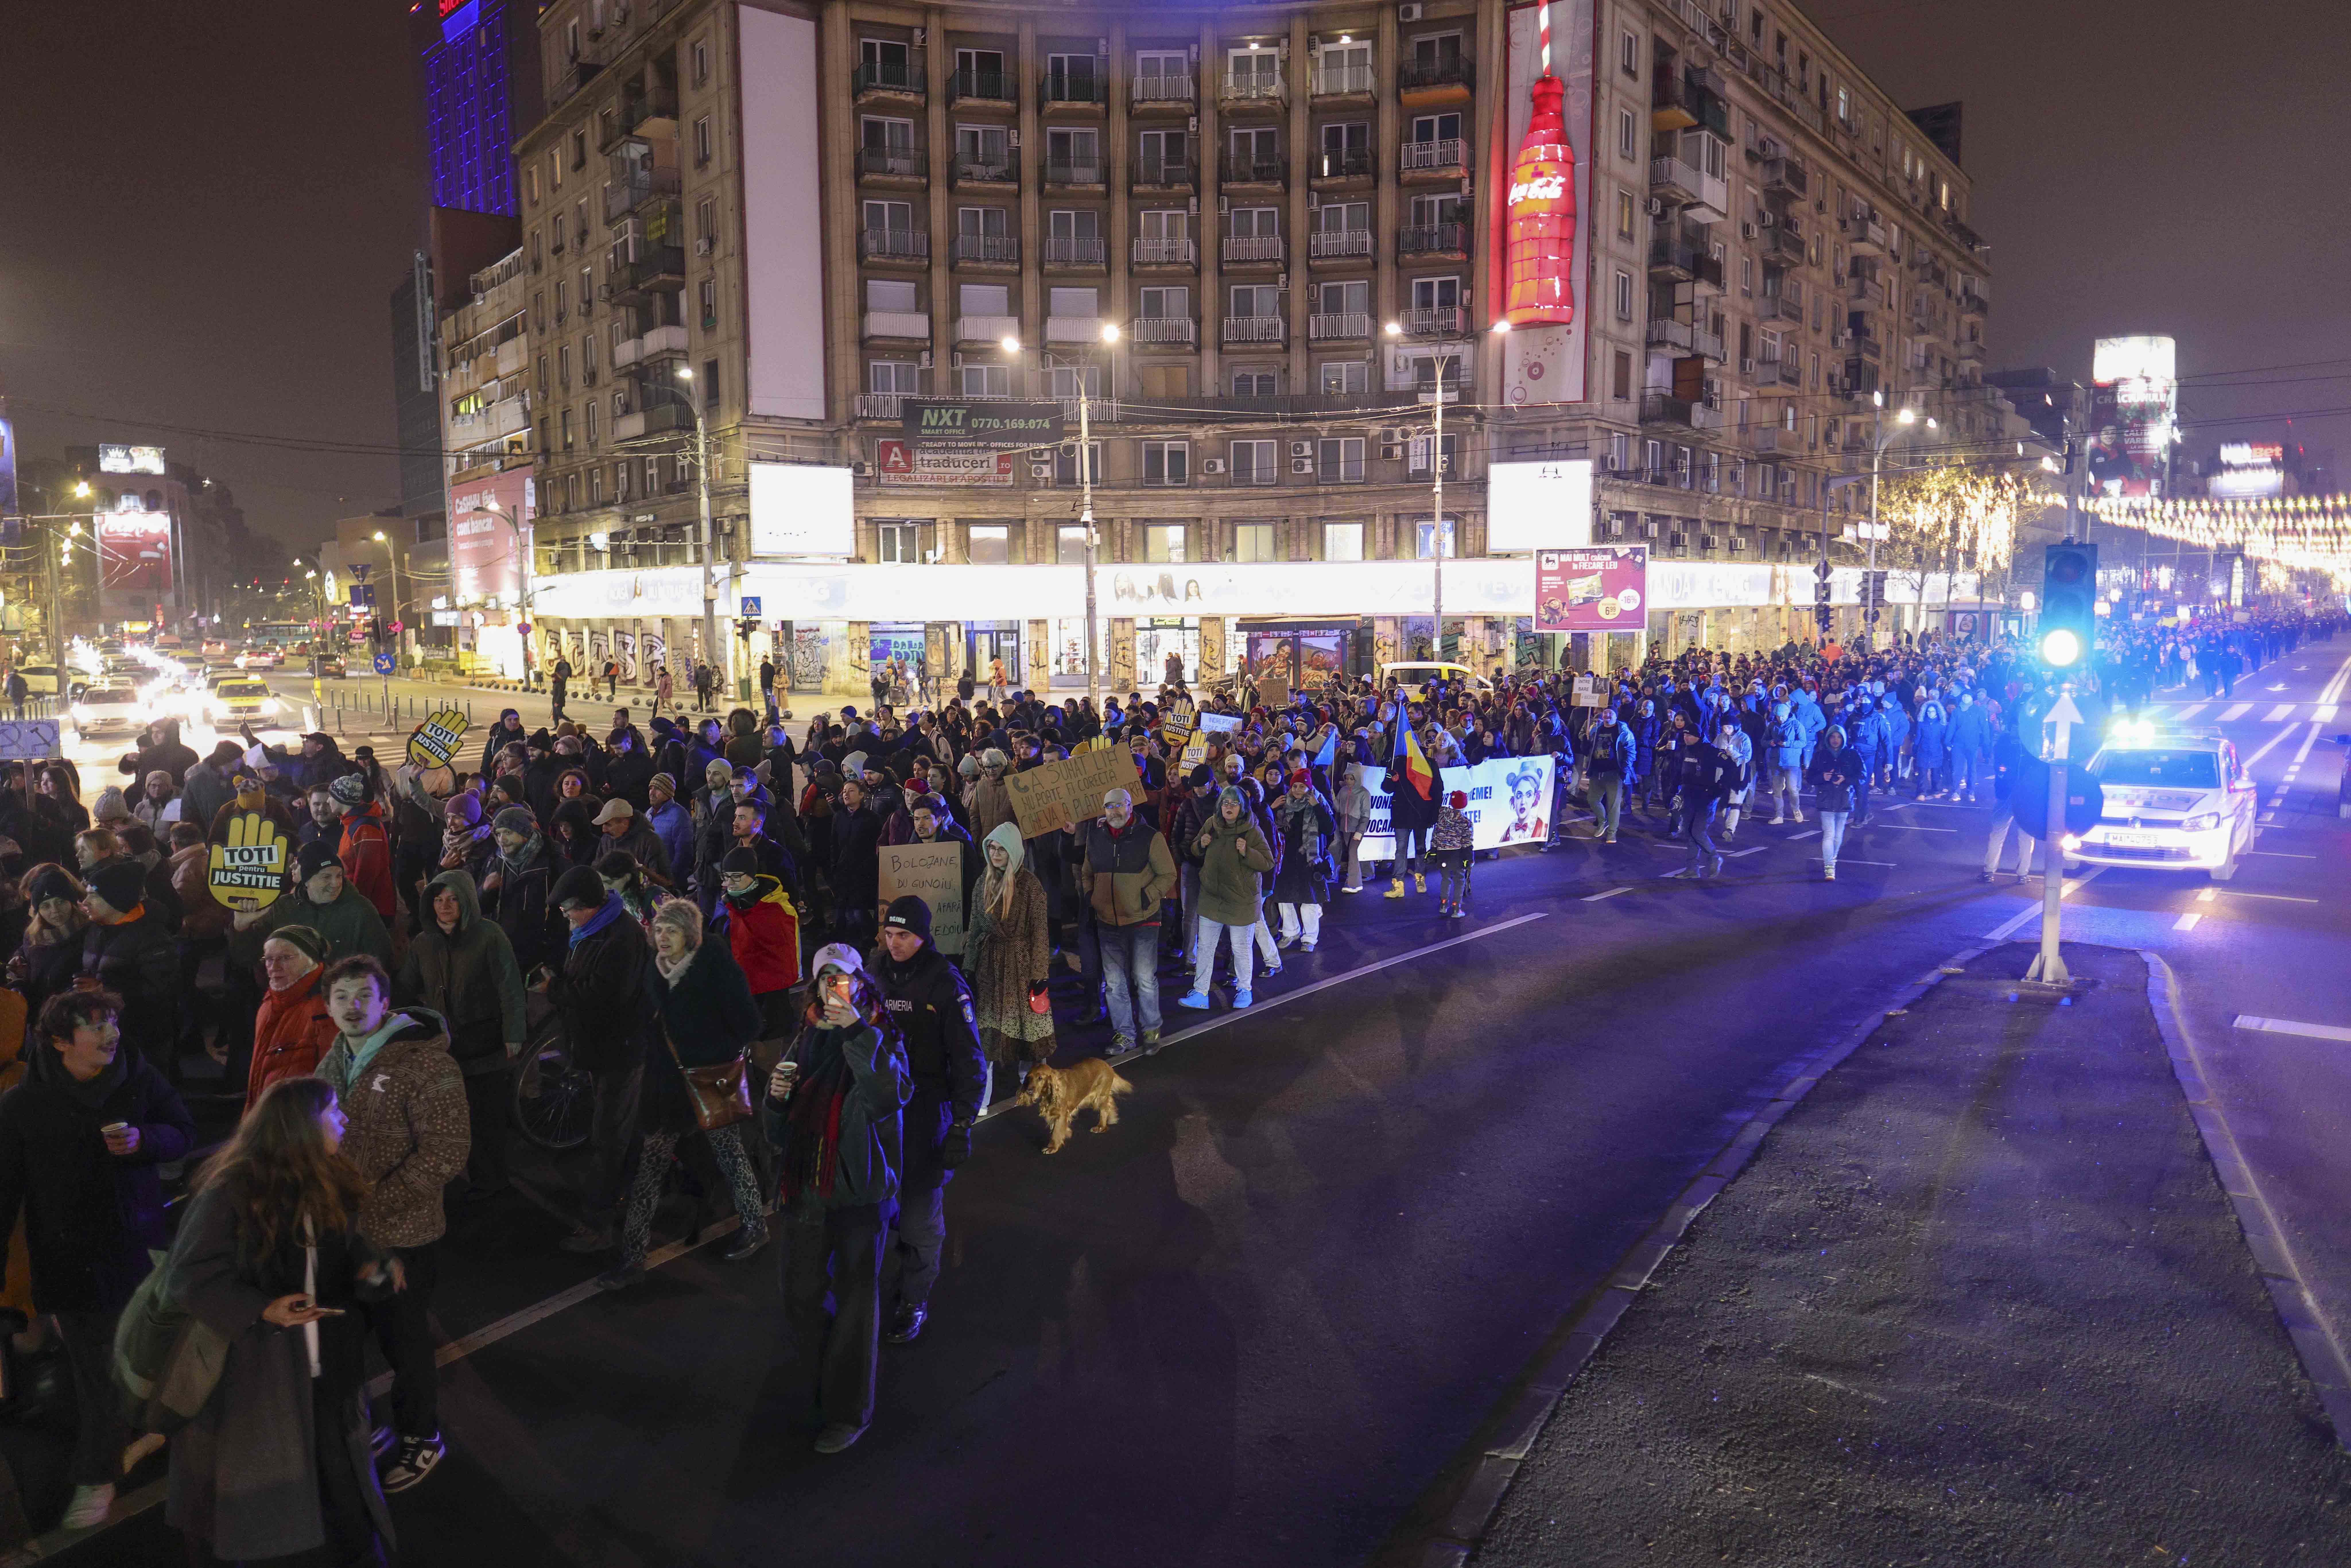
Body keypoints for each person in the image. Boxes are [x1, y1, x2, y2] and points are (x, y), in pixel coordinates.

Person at [162, 1076, 401, 1567]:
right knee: (275, 1507)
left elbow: (345, 1249)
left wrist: (372, 1267)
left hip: (332, 1371)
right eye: (334, 1111)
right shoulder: (233, 1191)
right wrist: (260, 1307)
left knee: (345, 1488)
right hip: (263, 1379)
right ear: (299, 1126)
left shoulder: (332, 1175)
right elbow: (188, 1277)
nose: (345, 1120)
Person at [0, 988, 195, 1531]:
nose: (110, 1033)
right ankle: (100, 1471)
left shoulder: (138, 1076)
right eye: (94, 1025)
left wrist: (145, 1140)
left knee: (137, 1351)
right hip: (70, 1261)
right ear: (60, 1040)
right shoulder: (22, 1103)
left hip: (137, 1244)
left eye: (111, 1019)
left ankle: (139, 1434)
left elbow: (184, 1131)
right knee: (95, 1370)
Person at [313, 953, 468, 1493]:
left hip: (402, 1238)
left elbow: (447, 1153)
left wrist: (371, 1204)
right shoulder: (333, 1058)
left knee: (405, 1345)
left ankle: (422, 1436)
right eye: (341, 997)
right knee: (349, 1339)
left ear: (385, 1002)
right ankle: (375, 1429)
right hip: (346, 1235)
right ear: (327, 1006)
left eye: (363, 996)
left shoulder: (428, 1064)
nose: (352, 1007)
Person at [765, 944, 910, 1455]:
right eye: (825, 979)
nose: (834, 989)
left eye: (843, 979)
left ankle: (849, 1411)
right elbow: (776, 1133)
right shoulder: (803, 1037)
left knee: (856, 1303)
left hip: (860, 1192)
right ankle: (829, 1374)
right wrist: (775, 1099)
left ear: (861, 984)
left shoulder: (881, 1035)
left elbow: (888, 1095)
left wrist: (855, 1030)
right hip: (807, 1187)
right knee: (799, 1294)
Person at [599, 900, 770, 1289]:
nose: (663, 938)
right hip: (667, 1085)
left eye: (672, 932)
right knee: (651, 1166)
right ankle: (632, 1257)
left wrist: (706, 1050)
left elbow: (748, 1024)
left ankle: (756, 1225)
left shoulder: (717, 968)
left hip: (710, 1077)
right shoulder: (655, 970)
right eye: (659, 931)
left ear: (690, 936)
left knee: (730, 1153)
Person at [868, 896, 983, 1345]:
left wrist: (961, 1125)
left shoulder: (946, 985)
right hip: (880, 1117)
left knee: (919, 1220)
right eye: (890, 935)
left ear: (924, 937)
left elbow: (969, 1060)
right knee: (879, 1214)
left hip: (924, 1114)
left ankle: (914, 1299)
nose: (895, 944)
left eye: (905, 937)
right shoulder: (875, 971)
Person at [395, 871, 527, 1202]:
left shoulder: (489, 936)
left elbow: (510, 987)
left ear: (467, 900)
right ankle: (466, 1178)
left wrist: (514, 1032)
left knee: (487, 1118)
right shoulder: (423, 942)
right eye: (438, 899)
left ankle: (494, 1184)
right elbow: (406, 989)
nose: (445, 906)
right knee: (452, 1118)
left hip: (486, 1045)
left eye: (453, 899)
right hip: (446, 1049)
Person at [543, 865, 654, 1254]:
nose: (566, 917)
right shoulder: (591, 930)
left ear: (591, 905)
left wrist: (556, 989)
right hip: (600, 1050)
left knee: (609, 1136)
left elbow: (603, 996)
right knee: (613, 1130)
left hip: (619, 1053)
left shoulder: (622, 937)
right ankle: (624, 1195)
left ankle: (601, 1223)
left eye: (570, 909)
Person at [1081, 788, 1176, 1055]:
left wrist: (1147, 898)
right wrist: (1092, 897)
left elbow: (1168, 874)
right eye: (1109, 807)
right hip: (1107, 921)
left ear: (1130, 807)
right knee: (1114, 983)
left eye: (1119, 806)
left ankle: (1151, 1029)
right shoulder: (1096, 837)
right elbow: (1087, 873)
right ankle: (1124, 1034)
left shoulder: (1150, 837)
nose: (1114, 812)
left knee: (1144, 978)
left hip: (1143, 920)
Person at [79, 857, 181, 1080]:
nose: (85, 901)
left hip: (144, 1038)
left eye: (93, 895)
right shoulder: (96, 930)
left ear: (116, 899)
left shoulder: (152, 936)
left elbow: (160, 990)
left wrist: (104, 989)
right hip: (107, 1034)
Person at [1178, 786, 1274, 1016]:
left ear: (1243, 808)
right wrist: (1201, 844)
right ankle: (1200, 993)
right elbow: (1195, 850)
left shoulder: (1252, 830)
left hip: (1241, 900)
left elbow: (1268, 862)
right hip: (1212, 897)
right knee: (1205, 948)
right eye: (1225, 803)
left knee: (1241, 948)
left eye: (1234, 804)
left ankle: (1244, 990)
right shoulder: (1212, 824)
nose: (1229, 807)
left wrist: (1247, 852)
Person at [249, 925, 341, 1103]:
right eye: (268, 959)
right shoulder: (269, 1003)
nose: (274, 967)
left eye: (285, 958)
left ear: (311, 960)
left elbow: (332, 1088)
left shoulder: (327, 1011)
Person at [1269, 769, 1335, 951]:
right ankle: (1291, 932)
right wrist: (1272, 808)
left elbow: (1330, 828)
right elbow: (1270, 826)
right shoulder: (1284, 803)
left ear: (1309, 787)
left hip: (1310, 859)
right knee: (1284, 898)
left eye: (1303, 786)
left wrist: (1317, 806)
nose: (1298, 790)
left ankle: (1310, 938)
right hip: (1287, 859)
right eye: (1295, 786)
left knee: (1310, 901)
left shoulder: (1319, 801)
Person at [1809, 725, 1864, 881]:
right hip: (1826, 797)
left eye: (1839, 737)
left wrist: (1846, 779)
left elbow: (1862, 775)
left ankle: (1833, 859)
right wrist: (1823, 777)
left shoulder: (1852, 754)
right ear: (1828, 738)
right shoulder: (1820, 755)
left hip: (1844, 797)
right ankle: (1829, 865)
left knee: (1838, 835)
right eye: (1833, 737)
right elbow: (1811, 776)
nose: (1835, 740)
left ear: (1843, 738)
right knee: (1829, 834)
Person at [1585, 707, 1635, 844]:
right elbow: (1590, 747)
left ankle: (1612, 832)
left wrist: (1625, 770)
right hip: (1597, 772)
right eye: (1605, 713)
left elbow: (1631, 751)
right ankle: (1603, 821)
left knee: (1614, 805)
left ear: (1616, 716)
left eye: (1611, 713)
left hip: (1614, 773)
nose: (1607, 715)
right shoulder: (1597, 729)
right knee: (1592, 800)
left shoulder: (1623, 731)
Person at [1431, 789, 1475, 917]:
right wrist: (1469, 859)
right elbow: (1467, 843)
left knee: (1446, 879)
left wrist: (1434, 851)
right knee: (1460, 880)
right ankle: (1457, 908)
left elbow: (1436, 836)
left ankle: (1444, 905)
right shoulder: (1466, 822)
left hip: (1442, 855)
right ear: (1465, 805)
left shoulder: (1441, 817)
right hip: (1457, 855)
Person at [1333, 762, 1374, 893]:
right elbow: (1338, 809)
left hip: (1357, 828)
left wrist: (1360, 831)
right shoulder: (1343, 791)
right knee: (1353, 854)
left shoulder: (1364, 793)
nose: (1349, 781)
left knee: (1353, 852)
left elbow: (1366, 815)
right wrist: (1333, 798)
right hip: (1345, 827)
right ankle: (1356, 880)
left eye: (1352, 778)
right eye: (1347, 778)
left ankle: (1354, 883)